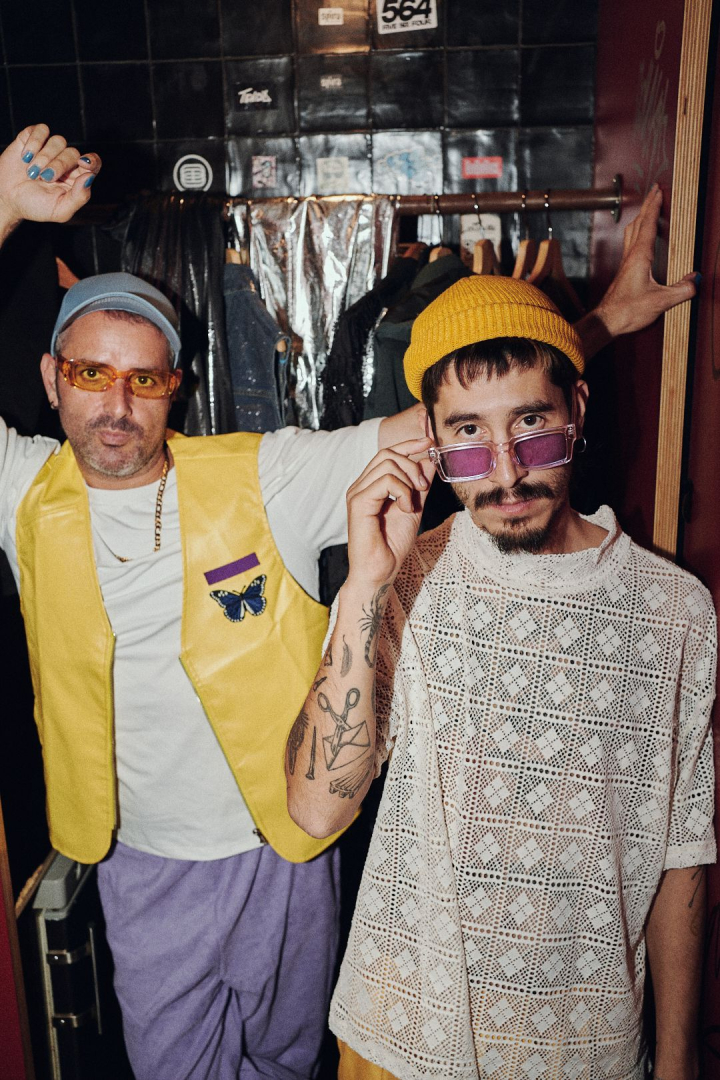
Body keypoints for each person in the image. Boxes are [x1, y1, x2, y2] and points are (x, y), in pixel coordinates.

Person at [0, 123, 699, 1080]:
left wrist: (601, 326)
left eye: (144, 378)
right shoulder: (22, 492)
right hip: (142, 863)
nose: (117, 404)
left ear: (175, 388)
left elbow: (457, 420)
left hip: (287, 849)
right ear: (52, 379)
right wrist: (4, 208)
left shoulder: (266, 474)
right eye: (90, 373)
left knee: (290, 1065)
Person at [286, 275, 716, 1080]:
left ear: (576, 408)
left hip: (586, 1048)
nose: (508, 472)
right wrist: (364, 587)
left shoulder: (676, 612)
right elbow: (314, 811)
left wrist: (680, 1056)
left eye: (531, 424)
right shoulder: (404, 580)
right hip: (400, 1039)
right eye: (469, 436)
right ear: (432, 442)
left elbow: (682, 851)